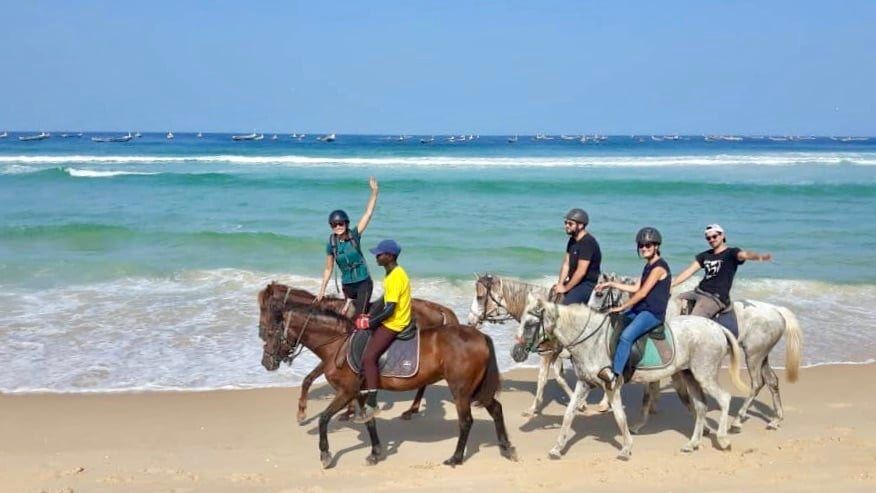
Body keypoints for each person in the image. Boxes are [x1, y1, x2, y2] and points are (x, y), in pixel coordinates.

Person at [595, 227, 671, 391]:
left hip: (652, 313)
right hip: (641, 309)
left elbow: (642, 293)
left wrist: (622, 306)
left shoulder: (658, 268)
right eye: (641, 245)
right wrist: (611, 284)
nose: (644, 248)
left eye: (648, 245)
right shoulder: (648, 265)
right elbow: (636, 287)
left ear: (656, 246)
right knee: (615, 324)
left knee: (626, 337)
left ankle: (616, 376)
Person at [354, 239, 412, 423]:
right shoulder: (391, 273)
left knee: (368, 357)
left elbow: (390, 310)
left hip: (396, 323)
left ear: (390, 256)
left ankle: (372, 403)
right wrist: (369, 313)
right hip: (393, 318)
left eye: (380, 254)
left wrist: (370, 323)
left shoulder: (395, 277)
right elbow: (385, 299)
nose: (376, 257)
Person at [672, 224, 772, 319]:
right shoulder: (705, 255)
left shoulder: (731, 253)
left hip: (715, 297)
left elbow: (745, 255)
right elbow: (689, 271)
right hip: (699, 291)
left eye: (714, 236)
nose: (711, 240)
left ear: (722, 235)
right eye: (708, 238)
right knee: (674, 302)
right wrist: (672, 284)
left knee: (694, 320)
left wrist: (759, 257)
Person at [316, 177, 379, 316]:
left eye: (341, 223)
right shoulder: (331, 244)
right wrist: (322, 290)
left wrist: (374, 192)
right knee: (346, 318)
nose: (338, 226)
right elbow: (328, 269)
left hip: (363, 282)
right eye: (334, 224)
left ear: (346, 223)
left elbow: (368, 214)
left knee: (359, 317)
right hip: (347, 286)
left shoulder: (354, 235)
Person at [554, 208, 602, 305]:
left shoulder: (588, 242)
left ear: (581, 225)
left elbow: (581, 272)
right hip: (574, 281)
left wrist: (565, 288)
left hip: (587, 284)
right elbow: (566, 264)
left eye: (570, 224)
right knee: (552, 298)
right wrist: (560, 284)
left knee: (566, 306)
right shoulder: (572, 240)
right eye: (565, 223)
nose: (566, 226)